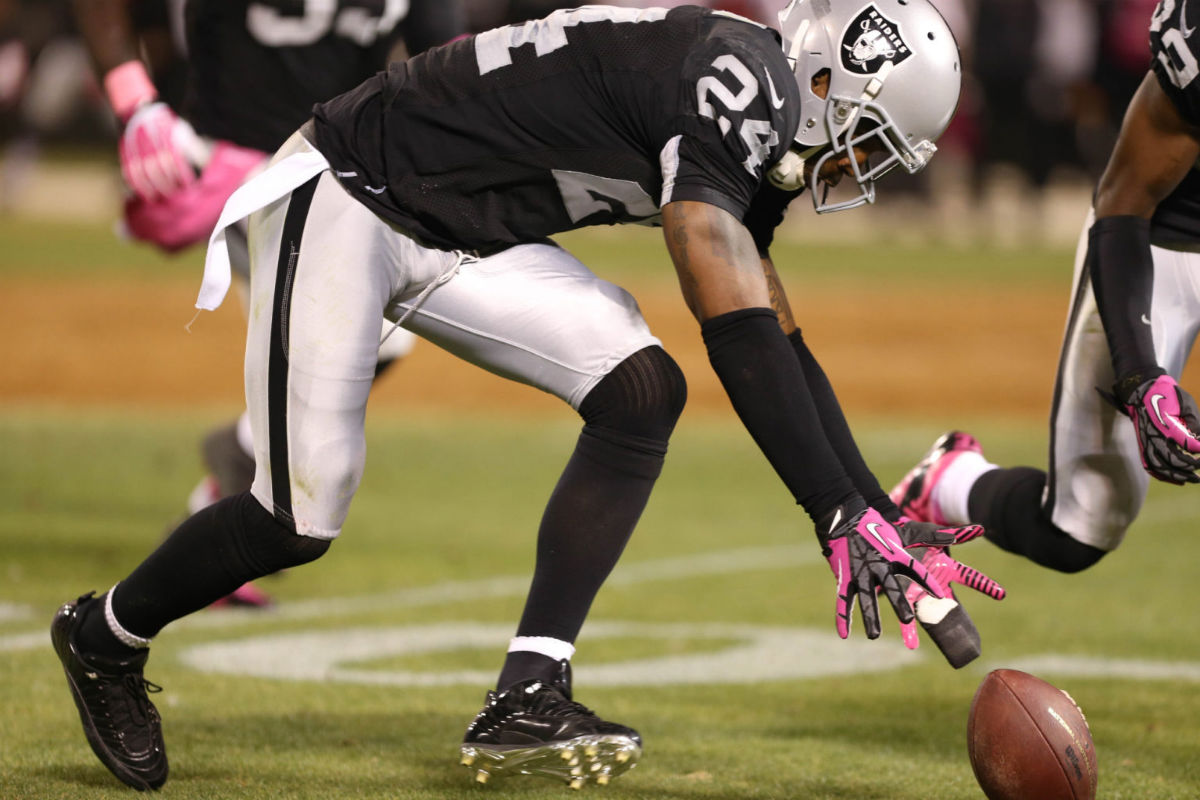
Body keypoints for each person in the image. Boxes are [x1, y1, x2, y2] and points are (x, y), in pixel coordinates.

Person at [52, 0, 988, 791]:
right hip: (351, 191)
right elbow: (731, 324)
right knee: (297, 518)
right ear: (826, 77)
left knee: (639, 392)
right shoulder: (739, 81)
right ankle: (105, 635)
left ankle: (526, 694)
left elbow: (776, 331)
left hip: (462, 231)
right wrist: (833, 512)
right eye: (868, 140)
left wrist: (870, 510)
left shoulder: (764, 101)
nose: (857, 169)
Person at [72, 0, 467, 605]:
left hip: (339, 166)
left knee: (378, 340)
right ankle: (232, 516)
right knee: (359, 336)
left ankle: (234, 477)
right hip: (234, 163)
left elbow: (449, 60)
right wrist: (139, 100)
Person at [891, 0, 1200, 575]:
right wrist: (1139, 377)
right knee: (1078, 531)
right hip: (1168, 245)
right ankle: (951, 481)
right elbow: (1123, 206)